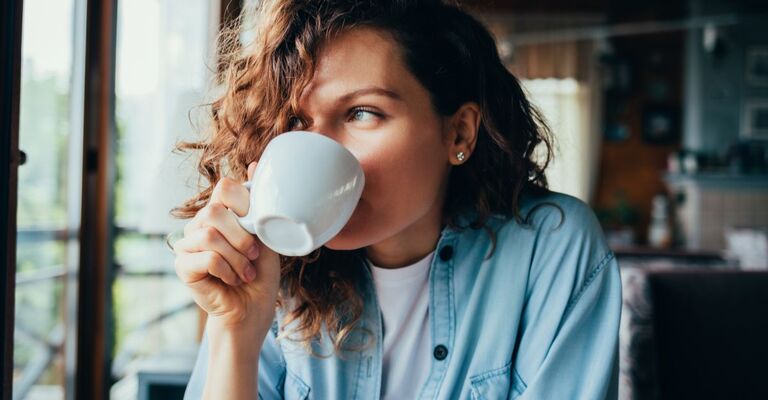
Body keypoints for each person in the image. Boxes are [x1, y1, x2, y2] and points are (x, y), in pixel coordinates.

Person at [170, 0, 622, 399]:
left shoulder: (551, 248)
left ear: (459, 133)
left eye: (362, 113)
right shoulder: (271, 268)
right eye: (296, 121)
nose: (317, 148)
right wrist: (235, 334)